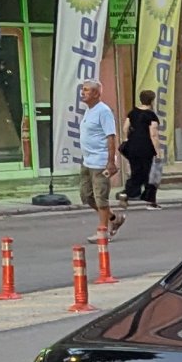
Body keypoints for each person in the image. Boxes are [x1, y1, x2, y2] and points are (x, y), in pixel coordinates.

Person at [77, 79, 122, 241]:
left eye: (87, 90)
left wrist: (111, 162)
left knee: (100, 197)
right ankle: (113, 219)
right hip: (87, 161)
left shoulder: (104, 111)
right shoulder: (89, 110)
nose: (83, 92)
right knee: (87, 196)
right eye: (83, 89)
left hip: (100, 162)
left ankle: (103, 232)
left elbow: (111, 137)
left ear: (96, 93)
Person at [120, 89, 162, 209]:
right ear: (152, 101)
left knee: (136, 172)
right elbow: (153, 134)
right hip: (146, 147)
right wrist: (158, 151)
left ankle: (126, 193)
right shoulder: (151, 115)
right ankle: (150, 201)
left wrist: (130, 137)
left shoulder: (132, 113)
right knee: (150, 174)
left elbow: (125, 128)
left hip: (133, 147)